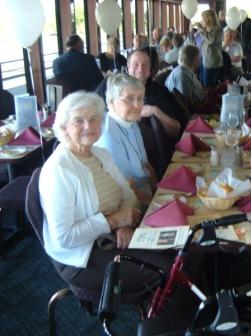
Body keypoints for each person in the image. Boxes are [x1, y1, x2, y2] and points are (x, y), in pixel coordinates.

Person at [39, 91, 172, 296]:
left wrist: (123, 224)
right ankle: (164, 325)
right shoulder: (59, 170)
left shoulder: (100, 154)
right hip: (83, 255)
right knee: (168, 269)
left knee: (179, 250)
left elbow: (127, 193)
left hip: (112, 236)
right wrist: (113, 222)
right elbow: (64, 237)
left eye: (94, 119)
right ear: (64, 127)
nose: (89, 126)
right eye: (78, 121)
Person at [96, 49, 187, 141]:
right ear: (128, 67)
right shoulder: (109, 85)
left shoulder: (159, 93)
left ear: (149, 69)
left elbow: (176, 130)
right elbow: (95, 113)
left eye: (145, 65)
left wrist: (155, 111)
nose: (140, 69)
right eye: (136, 64)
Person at [96, 74, 157, 206]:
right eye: (129, 99)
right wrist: (157, 205)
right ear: (111, 102)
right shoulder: (109, 135)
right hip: (129, 202)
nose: (137, 105)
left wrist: (159, 192)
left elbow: (147, 167)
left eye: (140, 99)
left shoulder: (130, 121)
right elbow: (127, 189)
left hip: (145, 191)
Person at [193, 9, 223, 88]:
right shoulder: (205, 29)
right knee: (202, 83)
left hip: (212, 61)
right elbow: (197, 42)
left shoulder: (217, 29)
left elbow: (210, 40)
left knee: (208, 86)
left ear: (209, 19)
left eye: (203, 18)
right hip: (203, 60)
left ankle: (212, 100)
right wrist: (194, 32)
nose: (202, 20)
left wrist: (201, 30)